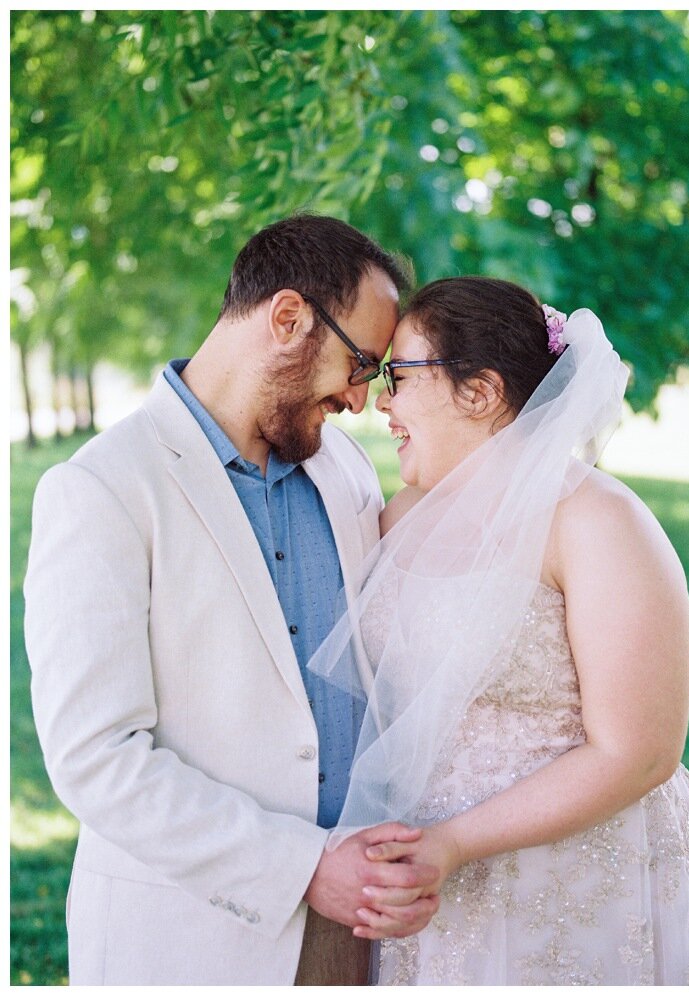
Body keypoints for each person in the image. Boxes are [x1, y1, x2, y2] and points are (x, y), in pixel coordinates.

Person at [24, 215, 442, 985]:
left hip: (354, 927)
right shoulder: (100, 490)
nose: (359, 399)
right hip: (187, 937)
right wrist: (306, 868)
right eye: (359, 364)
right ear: (287, 318)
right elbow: (97, 758)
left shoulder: (342, 465)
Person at [305, 276, 689, 984]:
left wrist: (451, 844)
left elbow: (639, 753)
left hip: (583, 873)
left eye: (398, 376)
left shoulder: (597, 520)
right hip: (433, 889)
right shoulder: (401, 515)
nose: (380, 402)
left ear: (478, 393)